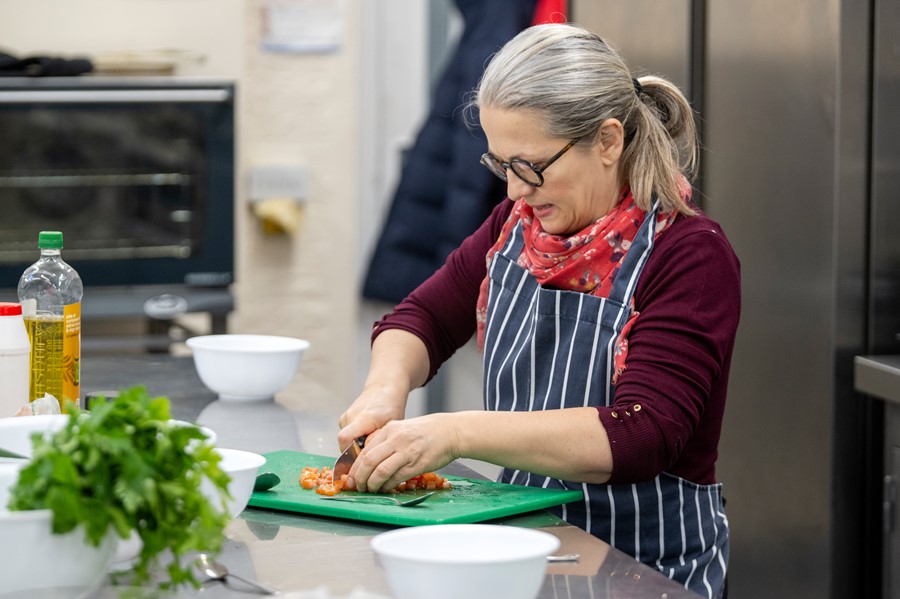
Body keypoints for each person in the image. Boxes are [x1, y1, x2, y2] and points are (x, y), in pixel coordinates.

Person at [339, 22, 740, 599]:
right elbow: (419, 319)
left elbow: (640, 434)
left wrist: (454, 433)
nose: (512, 192)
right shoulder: (516, 231)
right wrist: (383, 391)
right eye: (501, 165)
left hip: (647, 572)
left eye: (529, 167)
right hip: (523, 556)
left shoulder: (690, 256)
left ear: (607, 141)